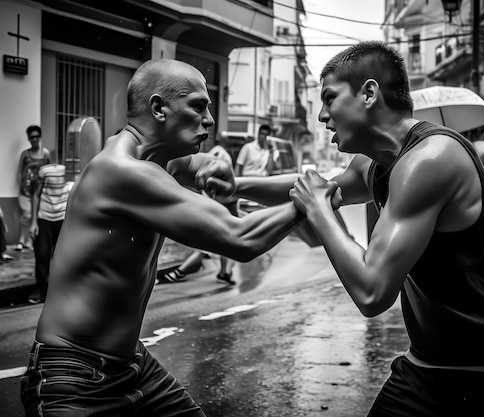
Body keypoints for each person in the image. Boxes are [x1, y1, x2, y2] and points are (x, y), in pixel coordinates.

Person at [235, 41, 484, 416]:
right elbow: (317, 184)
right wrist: (235, 185)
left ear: (369, 93)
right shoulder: (375, 164)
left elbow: (372, 291)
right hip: (428, 365)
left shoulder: (430, 159)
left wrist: (319, 211)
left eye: (329, 99)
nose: (322, 116)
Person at [19, 59, 317, 416]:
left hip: (130, 364)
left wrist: (216, 166)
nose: (209, 119)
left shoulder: (155, 161)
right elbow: (240, 238)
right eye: (198, 106)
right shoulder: (122, 172)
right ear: (159, 108)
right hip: (73, 377)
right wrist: (312, 202)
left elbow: (198, 168)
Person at [157, 137, 238, 285]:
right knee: (214, 245)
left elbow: (196, 167)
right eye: (199, 111)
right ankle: (181, 272)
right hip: (216, 205)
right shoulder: (220, 155)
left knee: (220, 244)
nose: (208, 120)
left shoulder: (174, 163)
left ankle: (223, 272)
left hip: (215, 204)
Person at [27, 164, 74, 304]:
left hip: (63, 219)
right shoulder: (44, 171)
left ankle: (60, 292)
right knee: (42, 255)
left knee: (62, 257)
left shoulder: (72, 172)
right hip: (44, 217)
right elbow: (36, 194)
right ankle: (41, 290)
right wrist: (33, 222)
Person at [16, 125, 51, 252]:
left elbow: (48, 169)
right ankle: (21, 240)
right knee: (25, 215)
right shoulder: (25, 154)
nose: (34, 139)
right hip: (25, 190)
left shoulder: (45, 153)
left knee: (35, 216)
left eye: (37, 136)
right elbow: (20, 171)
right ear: (28, 138)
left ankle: (30, 241)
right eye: (32, 137)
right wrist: (20, 185)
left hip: (39, 191)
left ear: (40, 137)